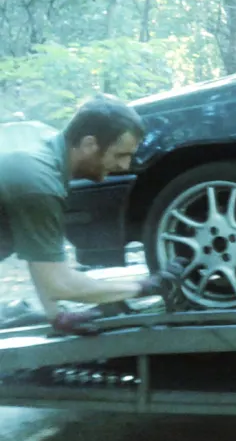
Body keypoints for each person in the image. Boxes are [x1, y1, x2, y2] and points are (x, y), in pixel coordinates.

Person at [0, 95, 180, 335]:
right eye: (120, 155)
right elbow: (59, 284)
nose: (125, 166)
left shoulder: (42, 149)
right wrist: (144, 286)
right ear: (89, 145)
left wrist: (58, 315)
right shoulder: (38, 181)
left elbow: (41, 258)